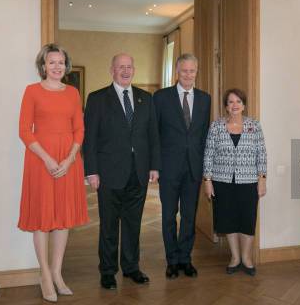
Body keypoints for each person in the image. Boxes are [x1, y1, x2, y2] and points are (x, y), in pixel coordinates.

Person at [18, 43, 89, 302]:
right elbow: (25, 131)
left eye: (61, 62)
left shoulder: (72, 93)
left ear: (65, 66)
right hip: (40, 160)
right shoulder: (32, 91)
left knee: (63, 217)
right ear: (43, 66)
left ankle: (58, 273)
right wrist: (48, 159)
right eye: (52, 62)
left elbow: (79, 129)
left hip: (68, 160)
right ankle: (44, 275)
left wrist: (70, 159)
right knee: (42, 216)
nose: (57, 66)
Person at [83, 54, 161, 290]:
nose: (125, 71)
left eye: (129, 67)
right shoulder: (97, 99)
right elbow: (90, 140)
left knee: (133, 223)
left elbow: (153, 136)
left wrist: (154, 165)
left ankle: (131, 267)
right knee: (108, 225)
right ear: (112, 70)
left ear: (133, 70)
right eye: (120, 67)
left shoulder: (145, 98)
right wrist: (91, 171)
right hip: (108, 174)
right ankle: (107, 271)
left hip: (138, 173)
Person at [153, 54, 211, 279]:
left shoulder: (205, 99)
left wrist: (206, 171)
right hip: (168, 168)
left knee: (189, 216)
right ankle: (172, 260)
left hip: (193, 169)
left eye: (192, 71)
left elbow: (204, 135)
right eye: (184, 70)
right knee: (168, 215)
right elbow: (154, 135)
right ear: (177, 71)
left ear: (197, 71)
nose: (188, 75)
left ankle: (185, 259)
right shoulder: (160, 97)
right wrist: (154, 166)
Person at [203, 88, 267, 276]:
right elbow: (208, 154)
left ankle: (247, 258)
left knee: (247, 219)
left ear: (244, 105)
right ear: (226, 106)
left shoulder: (254, 125)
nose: (235, 105)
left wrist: (262, 179)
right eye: (231, 102)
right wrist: (208, 180)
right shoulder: (216, 126)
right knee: (228, 219)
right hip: (222, 181)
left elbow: (261, 154)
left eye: (238, 101)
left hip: (248, 181)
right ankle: (235, 257)